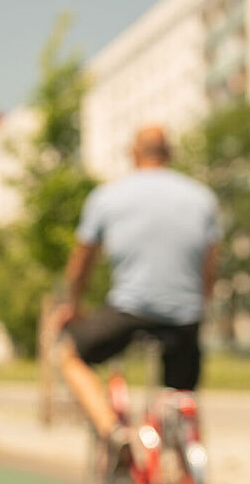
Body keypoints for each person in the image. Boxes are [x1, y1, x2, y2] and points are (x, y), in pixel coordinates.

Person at [51, 125, 221, 445]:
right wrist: (202, 305)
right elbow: (210, 266)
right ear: (170, 153)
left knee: (69, 354)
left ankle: (111, 431)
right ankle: (178, 468)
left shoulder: (106, 197)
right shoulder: (202, 198)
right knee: (180, 398)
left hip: (130, 311)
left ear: (133, 152)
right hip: (185, 317)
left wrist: (72, 303)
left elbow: (81, 262)